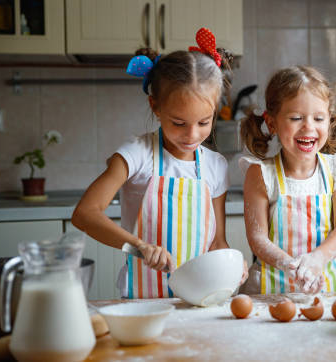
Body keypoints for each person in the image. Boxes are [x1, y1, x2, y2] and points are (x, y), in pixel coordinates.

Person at [72, 28, 246, 298]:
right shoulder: (136, 155)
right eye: (179, 123)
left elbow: (217, 241)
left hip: (199, 302)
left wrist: (233, 266)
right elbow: (85, 214)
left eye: (204, 122)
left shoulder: (216, 165)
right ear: (155, 106)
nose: (192, 135)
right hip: (144, 301)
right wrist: (138, 246)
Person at [239, 66, 336, 294]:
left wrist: (317, 259)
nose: (308, 127)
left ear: (329, 121)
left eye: (319, 118)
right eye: (296, 118)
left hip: (326, 288)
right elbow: (257, 237)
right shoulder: (261, 174)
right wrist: (293, 267)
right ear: (272, 124)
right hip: (269, 291)